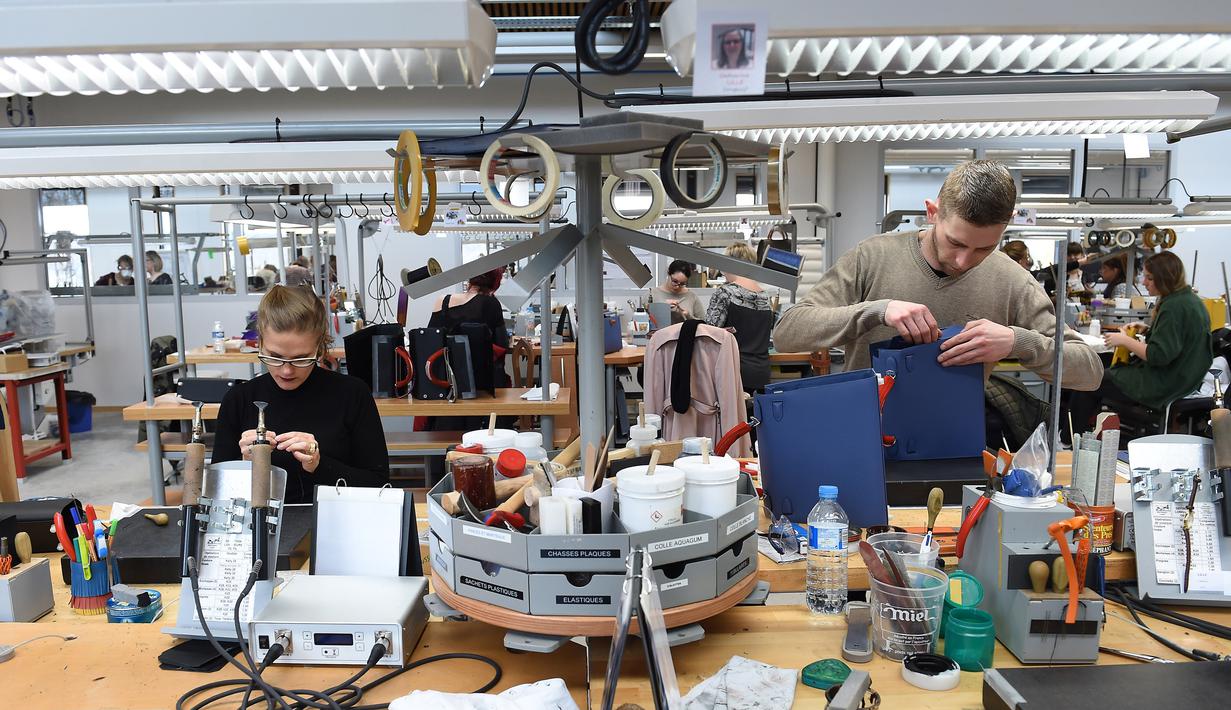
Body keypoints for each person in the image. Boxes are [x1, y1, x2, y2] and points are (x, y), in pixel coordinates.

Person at [773, 159, 1102, 392]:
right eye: (955, 242)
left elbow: (1090, 371)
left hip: (954, 450)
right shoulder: (872, 257)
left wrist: (1018, 342)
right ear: (932, 212)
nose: (963, 261)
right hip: (862, 442)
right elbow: (788, 333)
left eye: (983, 249)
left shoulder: (1013, 281)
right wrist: (876, 310)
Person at [213, 285, 389, 504]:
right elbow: (216, 495)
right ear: (259, 345)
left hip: (335, 522)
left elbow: (379, 485)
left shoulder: (353, 394)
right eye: (275, 357)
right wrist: (243, 463)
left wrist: (318, 464)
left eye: (301, 359)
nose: (286, 370)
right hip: (258, 528)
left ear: (320, 347)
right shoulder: (239, 400)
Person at [1067, 251, 1212, 435]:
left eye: (1150, 278)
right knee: (1101, 363)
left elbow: (1158, 356)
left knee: (1089, 380)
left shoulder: (1173, 307)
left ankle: (1069, 439)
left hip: (1165, 382)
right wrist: (1147, 329)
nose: (1144, 282)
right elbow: (1178, 340)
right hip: (1183, 379)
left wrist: (1124, 340)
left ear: (1164, 278)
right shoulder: (1188, 300)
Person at [706, 242, 773, 394]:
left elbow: (709, 334)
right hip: (761, 372)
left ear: (732, 264)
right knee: (755, 417)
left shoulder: (725, 292)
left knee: (733, 418)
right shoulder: (764, 296)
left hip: (733, 372)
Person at [429, 267, 510, 370]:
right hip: (477, 377)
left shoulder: (442, 300)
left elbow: (430, 339)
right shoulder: (491, 303)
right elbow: (502, 343)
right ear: (495, 283)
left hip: (442, 375)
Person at [651, 260, 704, 324]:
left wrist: (688, 316)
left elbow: (703, 324)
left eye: (682, 284)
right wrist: (662, 307)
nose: (677, 287)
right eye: (675, 281)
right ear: (668, 273)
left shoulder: (691, 296)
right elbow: (643, 323)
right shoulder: (652, 294)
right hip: (659, 333)